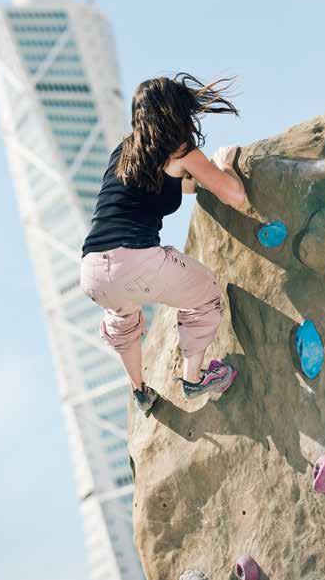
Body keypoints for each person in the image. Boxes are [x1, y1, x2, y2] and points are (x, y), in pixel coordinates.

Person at [79, 72, 246, 416]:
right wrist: (225, 167)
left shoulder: (124, 152)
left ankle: (140, 391)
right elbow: (235, 195)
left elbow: (178, 187)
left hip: (93, 270)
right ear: (174, 111)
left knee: (123, 318)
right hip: (133, 261)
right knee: (205, 295)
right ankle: (194, 378)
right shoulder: (180, 149)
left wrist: (200, 176)